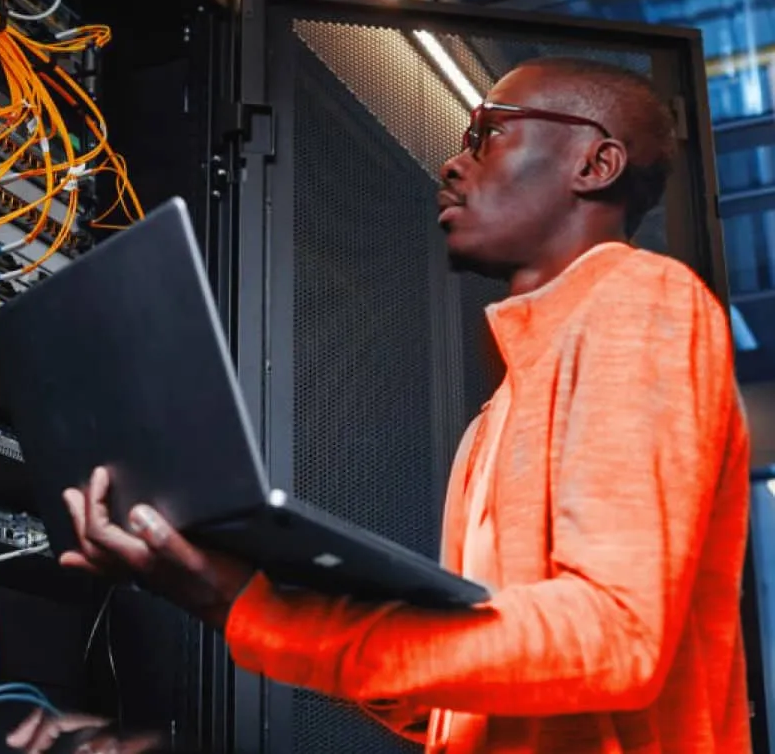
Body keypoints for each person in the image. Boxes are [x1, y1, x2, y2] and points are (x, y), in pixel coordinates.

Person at [50, 57, 751, 753]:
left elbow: (611, 638)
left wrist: (249, 609)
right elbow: (449, 709)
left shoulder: (642, 298)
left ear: (595, 165)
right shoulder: (494, 420)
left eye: (488, 133)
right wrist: (227, 596)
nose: (452, 164)